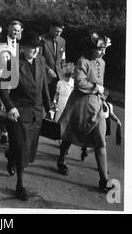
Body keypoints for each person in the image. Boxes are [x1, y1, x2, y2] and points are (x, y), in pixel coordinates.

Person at [56, 33, 115, 193]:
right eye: (99, 49)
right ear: (91, 48)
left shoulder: (102, 62)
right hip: (79, 105)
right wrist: (97, 88)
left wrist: (103, 98)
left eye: (104, 49)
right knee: (70, 134)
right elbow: (80, 83)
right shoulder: (82, 61)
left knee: (100, 141)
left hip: (96, 105)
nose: (103, 52)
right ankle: (61, 158)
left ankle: (104, 180)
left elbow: (100, 84)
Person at [0, 31, 52, 201]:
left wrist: (49, 107)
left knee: (28, 149)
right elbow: (3, 90)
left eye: (37, 48)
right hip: (19, 113)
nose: (35, 51)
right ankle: (20, 186)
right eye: (32, 48)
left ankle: (10, 154)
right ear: (23, 48)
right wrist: (10, 107)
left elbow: (43, 86)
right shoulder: (13, 64)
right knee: (22, 148)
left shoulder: (41, 61)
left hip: (36, 112)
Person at [0, 20, 23, 143]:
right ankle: (3, 131)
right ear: (8, 29)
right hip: (1, 75)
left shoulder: (20, 45)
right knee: (1, 103)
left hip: (14, 77)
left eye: (18, 30)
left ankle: (9, 128)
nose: (15, 32)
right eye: (14, 29)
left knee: (11, 103)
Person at [40, 20, 66, 101]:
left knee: (57, 100)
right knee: (46, 99)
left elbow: (63, 58)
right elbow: (39, 58)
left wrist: (64, 72)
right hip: (45, 76)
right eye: (57, 31)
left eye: (60, 32)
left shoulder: (62, 41)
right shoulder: (42, 40)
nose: (58, 34)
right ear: (51, 28)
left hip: (59, 76)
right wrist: (48, 70)